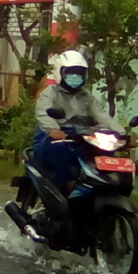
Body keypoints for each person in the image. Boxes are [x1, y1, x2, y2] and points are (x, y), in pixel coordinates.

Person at [33, 50, 124, 191]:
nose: (75, 76)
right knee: (59, 148)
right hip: (52, 139)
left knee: (104, 151)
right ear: (60, 73)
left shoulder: (86, 96)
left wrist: (122, 134)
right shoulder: (50, 93)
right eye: (70, 73)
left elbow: (101, 115)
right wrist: (53, 129)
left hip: (80, 138)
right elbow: (44, 114)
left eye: (79, 73)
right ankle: (68, 185)